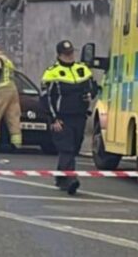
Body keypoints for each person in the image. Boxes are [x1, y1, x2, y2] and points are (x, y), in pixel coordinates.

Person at [40, 40, 97, 195]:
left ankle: (61, 178)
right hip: (62, 118)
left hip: (80, 116)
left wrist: (90, 94)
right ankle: (71, 180)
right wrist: (53, 119)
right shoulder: (52, 72)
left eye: (71, 53)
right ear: (59, 55)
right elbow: (46, 99)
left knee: (74, 148)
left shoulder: (82, 69)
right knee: (67, 148)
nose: (70, 56)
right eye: (66, 54)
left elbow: (93, 87)